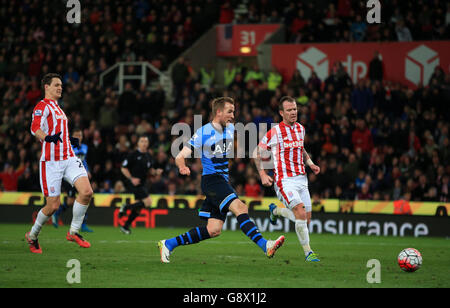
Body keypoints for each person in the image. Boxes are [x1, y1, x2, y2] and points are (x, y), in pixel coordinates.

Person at [158, 97, 285, 263]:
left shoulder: (231, 128)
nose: (233, 115)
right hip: (212, 181)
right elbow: (180, 156)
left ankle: (168, 244)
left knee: (213, 230)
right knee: (241, 208)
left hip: (222, 181)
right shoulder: (203, 132)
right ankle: (265, 245)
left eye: (234, 111)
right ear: (218, 112)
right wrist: (182, 166)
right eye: (229, 111)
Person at [26, 73, 93, 254]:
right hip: (51, 162)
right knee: (52, 206)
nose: (60, 88)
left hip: (69, 157)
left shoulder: (58, 108)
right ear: (46, 87)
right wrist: (47, 138)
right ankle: (32, 236)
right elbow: (35, 128)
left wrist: (69, 140)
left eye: (61, 85)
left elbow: (59, 133)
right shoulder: (42, 106)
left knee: (87, 192)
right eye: (56, 85)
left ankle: (74, 232)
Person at [253, 96, 321, 262]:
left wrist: (310, 163)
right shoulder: (274, 132)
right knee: (299, 212)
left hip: (302, 180)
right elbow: (257, 152)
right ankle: (308, 253)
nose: (293, 112)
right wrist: (262, 173)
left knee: (306, 220)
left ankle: (275, 211)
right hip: (285, 180)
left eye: (295, 109)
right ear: (281, 113)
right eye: (289, 110)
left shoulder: (300, 129)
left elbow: (300, 148)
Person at [118, 135, 162, 234]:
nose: (144, 143)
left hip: (142, 183)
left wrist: (155, 172)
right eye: (142, 141)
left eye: (146, 141)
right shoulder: (133, 154)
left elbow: (150, 170)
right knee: (148, 202)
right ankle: (125, 207)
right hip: (133, 183)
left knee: (138, 207)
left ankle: (125, 226)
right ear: (138, 143)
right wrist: (131, 178)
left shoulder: (148, 156)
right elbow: (123, 168)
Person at [52, 128, 94, 232]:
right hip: (70, 177)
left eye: (80, 135)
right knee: (71, 201)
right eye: (76, 135)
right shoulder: (68, 147)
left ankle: (83, 224)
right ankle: (57, 213)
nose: (78, 137)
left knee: (84, 195)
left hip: (81, 176)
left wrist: (87, 170)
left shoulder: (85, 147)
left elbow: (84, 161)